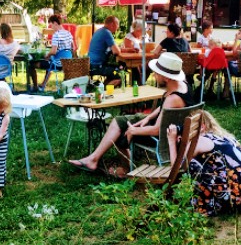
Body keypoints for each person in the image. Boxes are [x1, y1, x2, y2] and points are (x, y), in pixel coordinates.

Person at [68, 52, 196, 175]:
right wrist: (149, 117)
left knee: (121, 131)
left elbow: (157, 130)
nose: (154, 75)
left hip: (163, 136)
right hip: (169, 126)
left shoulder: (172, 99)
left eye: (157, 73)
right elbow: (165, 108)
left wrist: (133, 131)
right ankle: (94, 159)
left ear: (167, 77)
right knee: (118, 121)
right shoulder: (183, 87)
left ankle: (124, 168)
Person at [166, 111, 241, 217]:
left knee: (191, 166)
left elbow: (177, 170)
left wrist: (171, 141)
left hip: (232, 197)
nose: (185, 130)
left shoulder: (199, 141)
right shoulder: (223, 137)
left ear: (201, 127)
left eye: (188, 127)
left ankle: (208, 202)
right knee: (198, 164)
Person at [28, 14, 76, 91]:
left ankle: (36, 87)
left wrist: (47, 55)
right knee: (50, 61)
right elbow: (73, 48)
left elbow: (53, 51)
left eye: (51, 25)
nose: (51, 28)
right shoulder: (68, 33)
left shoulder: (56, 35)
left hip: (57, 64)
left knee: (31, 65)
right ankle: (43, 85)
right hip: (67, 63)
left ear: (55, 23)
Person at [88, 15, 122, 85]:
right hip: (98, 66)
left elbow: (114, 49)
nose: (118, 27)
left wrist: (128, 50)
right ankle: (104, 91)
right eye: (117, 24)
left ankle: (103, 88)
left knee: (114, 71)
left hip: (91, 64)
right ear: (112, 24)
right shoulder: (107, 33)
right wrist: (119, 49)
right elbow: (116, 51)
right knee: (120, 74)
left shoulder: (100, 31)